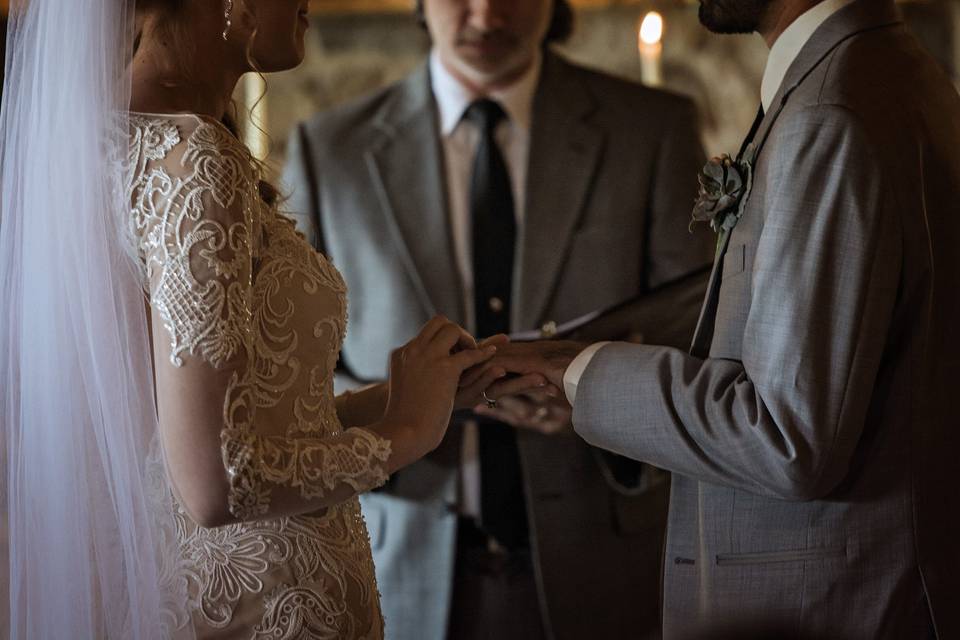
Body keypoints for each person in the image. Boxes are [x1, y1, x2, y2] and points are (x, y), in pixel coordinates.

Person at [2, 0, 540, 637]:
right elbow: (219, 483)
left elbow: (198, 432)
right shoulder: (195, 161)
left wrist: (403, 396)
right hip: (266, 605)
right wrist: (409, 429)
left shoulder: (85, 148)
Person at [491, 0, 960, 638]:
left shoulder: (831, 113)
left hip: (832, 605)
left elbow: (787, 437)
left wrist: (576, 370)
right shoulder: (884, 71)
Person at [282, 0, 712, 638]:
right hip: (398, 563)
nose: (486, 14)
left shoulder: (653, 128)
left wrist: (604, 404)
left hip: (606, 567)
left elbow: (700, 337)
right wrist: (401, 413)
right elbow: (295, 382)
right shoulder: (330, 149)